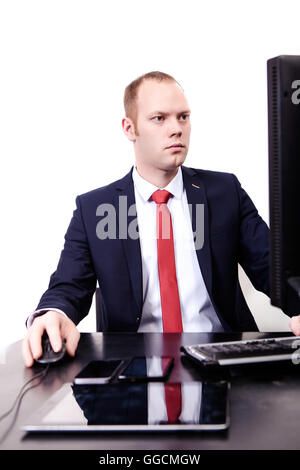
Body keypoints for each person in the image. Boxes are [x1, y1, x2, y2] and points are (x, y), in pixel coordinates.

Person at [22, 71, 300, 367]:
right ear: (130, 128)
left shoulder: (224, 193)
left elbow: (273, 270)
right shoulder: (97, 209)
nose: (176, 129)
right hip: (134, 367)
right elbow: (68, 286)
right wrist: (53, 314)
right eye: (159, 118)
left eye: (183, 117)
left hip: (222, 361)